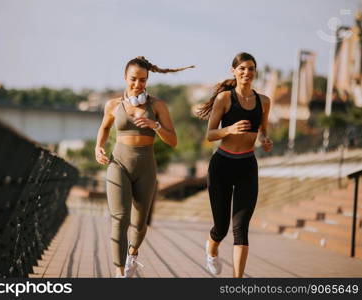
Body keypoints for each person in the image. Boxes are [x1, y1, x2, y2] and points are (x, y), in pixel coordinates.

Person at [95, 56, 194, 278]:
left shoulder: (157, 105)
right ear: (124, 77)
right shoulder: (112, 105)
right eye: (133, 79)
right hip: (118, 164)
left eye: (143, 80)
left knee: (139, 224)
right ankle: (119, 273)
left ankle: (132, 253)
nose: (138, 84)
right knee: (120, 218)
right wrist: (98, 147)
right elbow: (104, 129)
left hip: (146, 167)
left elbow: (173, 140)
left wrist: (155, 125)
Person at [196, 52, 273, 278]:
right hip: (221, 166)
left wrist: (265, 139)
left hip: (247, 167)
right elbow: (210, 134)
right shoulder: (225, 99)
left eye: (251, 68)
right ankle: (211, 248)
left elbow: (263, 129)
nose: (246, 73)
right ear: (234, 71)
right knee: (221, 228)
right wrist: (229, 129)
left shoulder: (264, 101)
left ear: (255, 72)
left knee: (241, 229)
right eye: (242, 69)